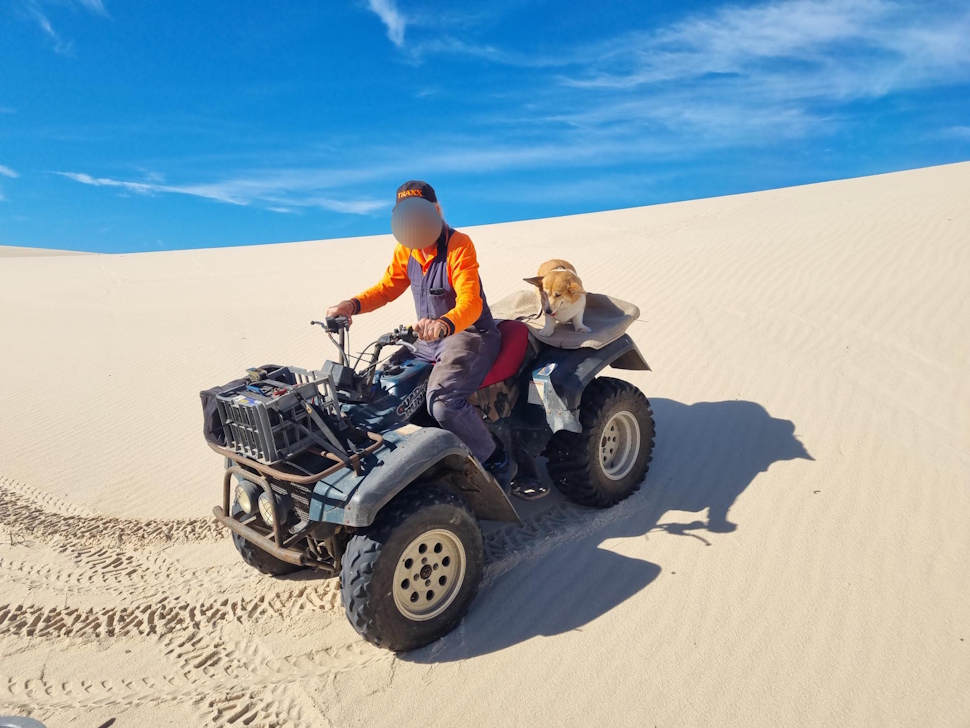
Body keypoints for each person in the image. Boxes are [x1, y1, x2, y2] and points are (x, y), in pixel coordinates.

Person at [326, 180, 511, 486]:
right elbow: (387, 288)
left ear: (436, 211)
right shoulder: (406, 249)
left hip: (470, 335)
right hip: (428, 340)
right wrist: (352, 305)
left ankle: (495, 459)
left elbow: (471, 301)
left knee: (443, 402)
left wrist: (446, 323)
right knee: (381, 390)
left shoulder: (458, 244)